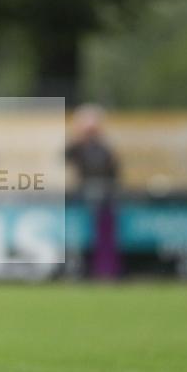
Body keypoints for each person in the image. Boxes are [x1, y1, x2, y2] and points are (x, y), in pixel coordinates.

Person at [64, 104, 121, 278]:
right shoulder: (79, 147)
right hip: (84, 197)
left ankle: (105, 271)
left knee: (105, 237)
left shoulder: (105, 148)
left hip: (104, 197)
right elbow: (66, 156)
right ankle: (80, 270)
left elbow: (113, 171)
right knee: (81, 237)